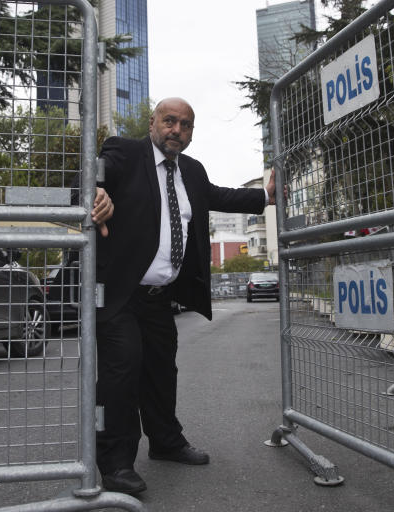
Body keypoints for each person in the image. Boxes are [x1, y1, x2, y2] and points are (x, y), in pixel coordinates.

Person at [90, 97, 276, 495]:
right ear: (154, 123)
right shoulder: (123, 151)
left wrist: (266, 195)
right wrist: (95, 194)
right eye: (169, 121)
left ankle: (166, 443)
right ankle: (115, 462)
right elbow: (93, 179)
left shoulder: (191, 171)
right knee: (121, 371)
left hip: (160, 298)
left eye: (186, 125)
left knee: (161, 371)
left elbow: (221, 197)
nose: (177, 130)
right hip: (119, 293)